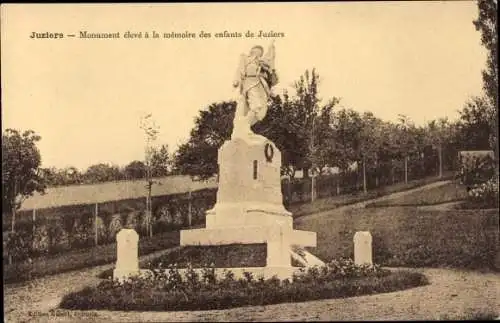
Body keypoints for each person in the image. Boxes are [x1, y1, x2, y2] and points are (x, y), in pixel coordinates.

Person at [231, 41, 278, 139]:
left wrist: (271, 49)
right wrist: (236, 80)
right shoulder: (245, 58)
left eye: (261, 52)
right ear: (252, 51)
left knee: (261, 111)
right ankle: (245, 125)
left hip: (261, 86)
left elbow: (270, 61)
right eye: (257, 51)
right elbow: (239, 69)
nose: (259, 53)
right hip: (250, 84)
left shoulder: (262, 63)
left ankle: (244, 126)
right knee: (256, 106)